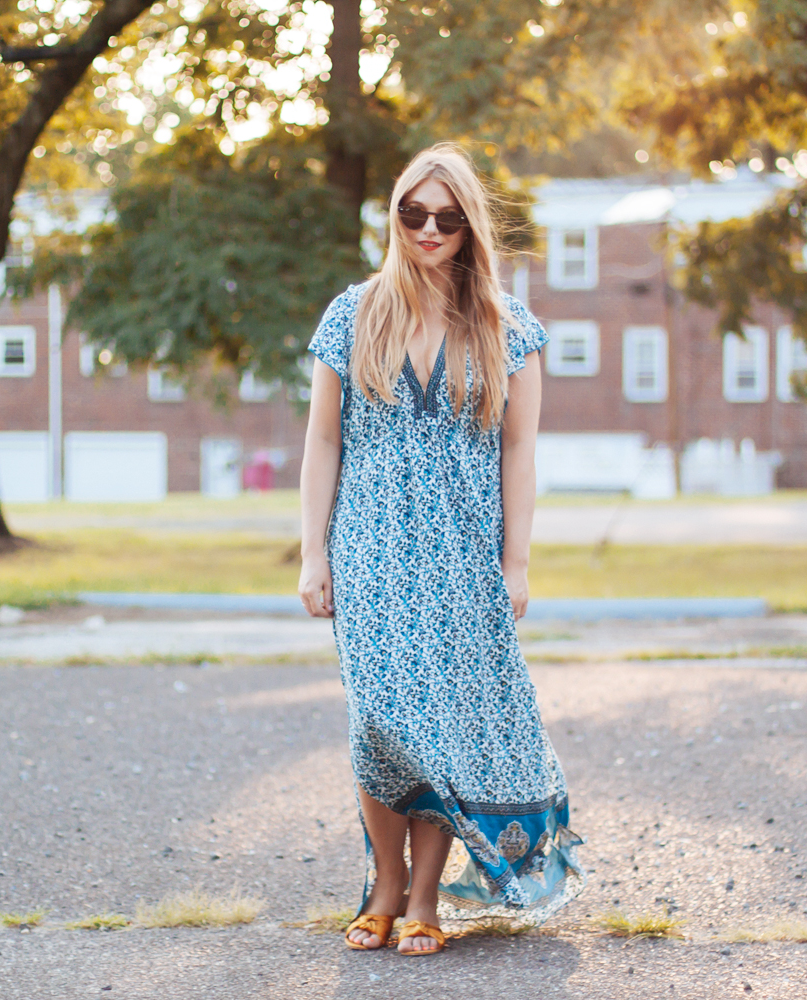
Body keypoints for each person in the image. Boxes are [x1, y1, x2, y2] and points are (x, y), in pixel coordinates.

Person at [297, 143, 584, 956]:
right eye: (413, 213)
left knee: (441, 727)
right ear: (395, 215)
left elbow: (519, 453)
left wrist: (515, 562)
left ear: (470, 227)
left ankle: (423, 897)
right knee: (379, 722)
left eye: (448, 218)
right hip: (371, 549)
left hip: (463, 556)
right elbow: (322, 441)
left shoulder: (507, 326)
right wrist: (313, 553)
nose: (429, 229)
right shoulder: (352, 314)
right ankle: (385, 882)